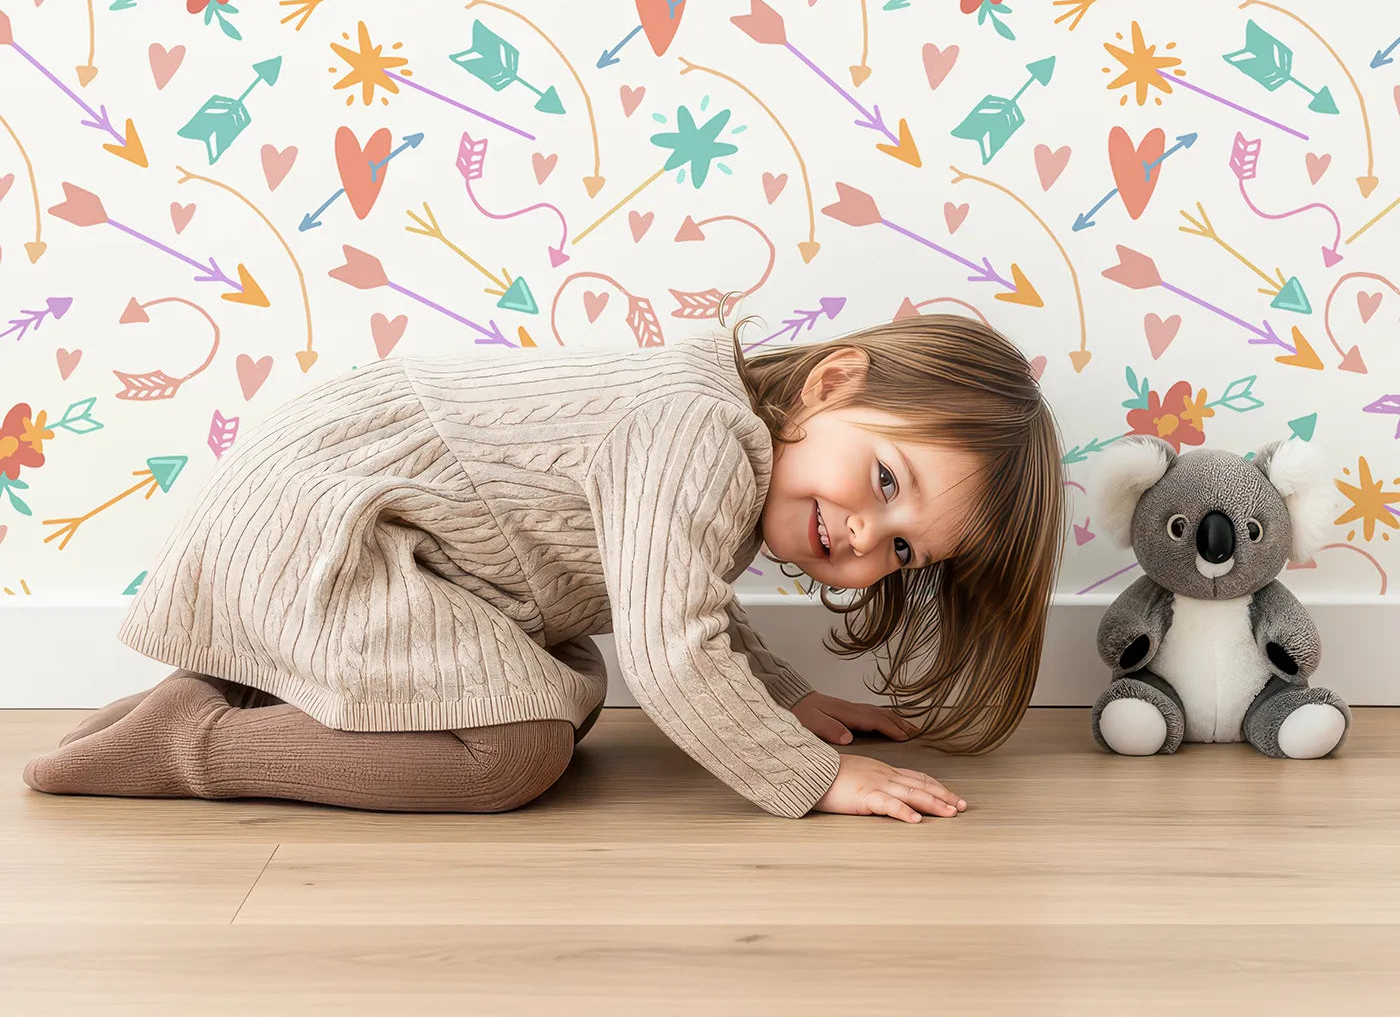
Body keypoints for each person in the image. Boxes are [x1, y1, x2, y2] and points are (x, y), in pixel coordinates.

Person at [22, 304, 1066, 823]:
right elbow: (670, 649)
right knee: (516, 747)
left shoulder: (727, 442)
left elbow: (682, 593)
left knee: (560, 683)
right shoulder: (696, 429)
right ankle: (194, 742)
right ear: (832, 381)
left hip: (354, 534)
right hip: (325, 523)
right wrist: (816, 774)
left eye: (899, 552)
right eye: (884, 483)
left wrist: (784, 693)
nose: (862, 541)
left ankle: (241, 688)